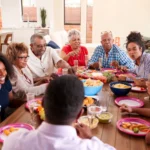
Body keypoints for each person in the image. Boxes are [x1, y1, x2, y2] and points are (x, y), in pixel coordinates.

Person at [2, 75, 116, 150]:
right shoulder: (91, 147)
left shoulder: (13, 141)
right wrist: (90, 137)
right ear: (79, 114)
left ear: (42, 104)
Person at [0, 54, 15, 120]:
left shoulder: (6, 83)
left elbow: (11, 101)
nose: (3, 74)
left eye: (4, 69)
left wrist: (26, 103)